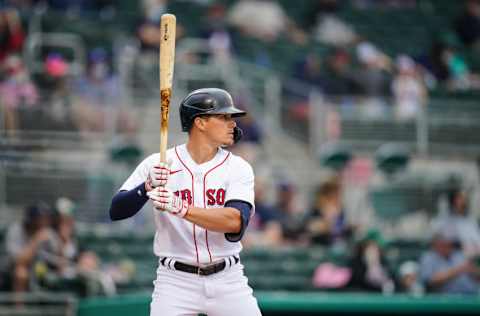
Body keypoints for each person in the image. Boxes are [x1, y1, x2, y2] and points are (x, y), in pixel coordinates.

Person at [109, 88, 262, 316]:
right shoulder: (160, 162)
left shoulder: (238, 167)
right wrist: (146, 187)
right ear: (200, 123)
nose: (232, 124)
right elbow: (116, 210)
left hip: (227, 279)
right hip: (175, 282)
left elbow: (234, 221)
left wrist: (181, 208)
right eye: (224, 117)